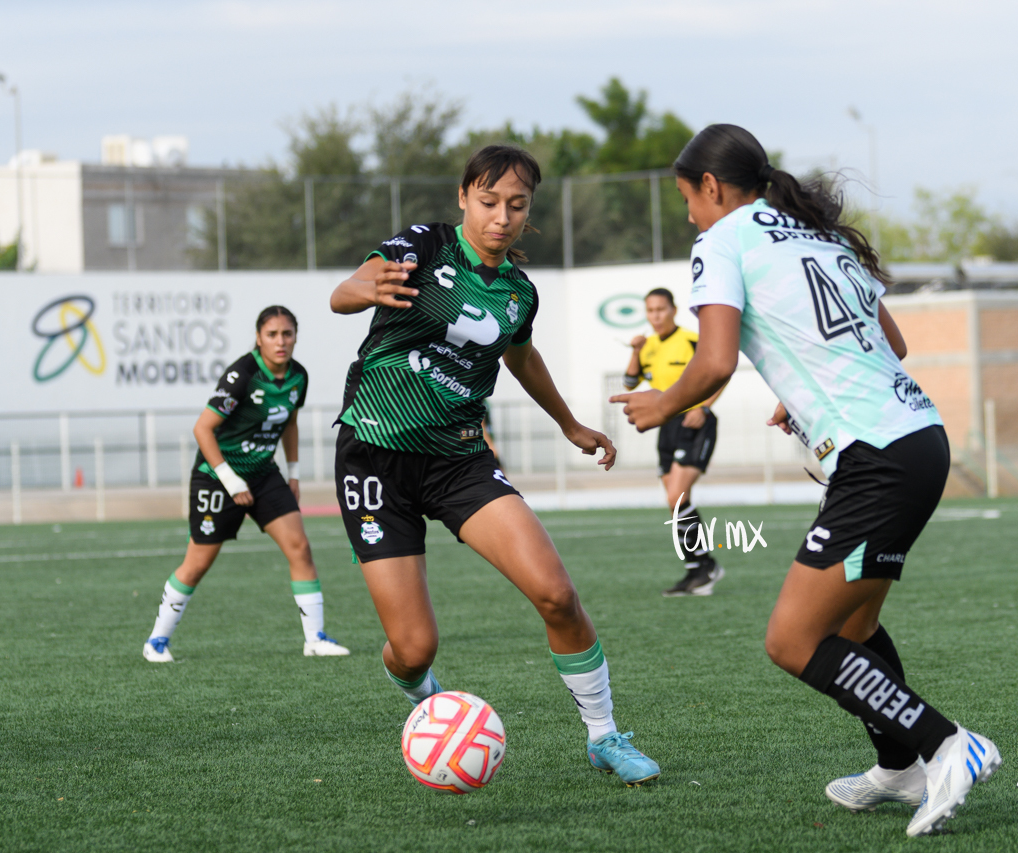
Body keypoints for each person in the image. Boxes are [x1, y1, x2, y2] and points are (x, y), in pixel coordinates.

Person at [611, 125, 1001, 837]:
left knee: (792, 639)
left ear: (712, 187)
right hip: (918, 436)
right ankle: (899, 767)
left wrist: (661, 402)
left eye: (687, 200)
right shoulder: (815, 233)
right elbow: (892, 344)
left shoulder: (723, 240)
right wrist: (807, 388)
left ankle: (948, 744)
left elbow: (717, 360)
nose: (689, 216)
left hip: (876, 456)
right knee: (854, 624)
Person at [328, 144, 660, 786]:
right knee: (414, 648)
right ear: (463, 197)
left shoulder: (518, 292)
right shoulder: (423, 247)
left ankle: (604, 736)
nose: (501, 217)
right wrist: (358, 289)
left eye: (516, 205)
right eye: (488, 202)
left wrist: (570, 425)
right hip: (375, 455)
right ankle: (426, 697)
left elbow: (521, 357)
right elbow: (349, 291)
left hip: (458, 459)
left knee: (556, 594)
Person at [142, 306, 350, 662]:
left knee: (299, 547)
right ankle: (156, 641)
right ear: (259, 338)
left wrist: (294, 473)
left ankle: (314, 638)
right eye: (272, 334)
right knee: (197, 564)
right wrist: (230, 480)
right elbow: (202, 429)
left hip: (262, 473)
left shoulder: (299, 376)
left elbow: (290, 423)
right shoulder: (242, 374)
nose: (280, 341)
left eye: (287, 334)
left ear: (295, 337)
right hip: (216, 476)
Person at [622, 288, 725, 596]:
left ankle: (704, 567)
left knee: (676, 498)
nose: (655, 316)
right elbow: (629, 382)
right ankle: (699, 568)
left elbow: (722, 371)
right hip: (666, 426)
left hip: (695, 422)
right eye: (650, 311)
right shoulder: (648, 345)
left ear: (673, 310)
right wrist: (635, 351)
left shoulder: (692, 340)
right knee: (674, 503)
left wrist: (703, 406)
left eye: (660, 310)